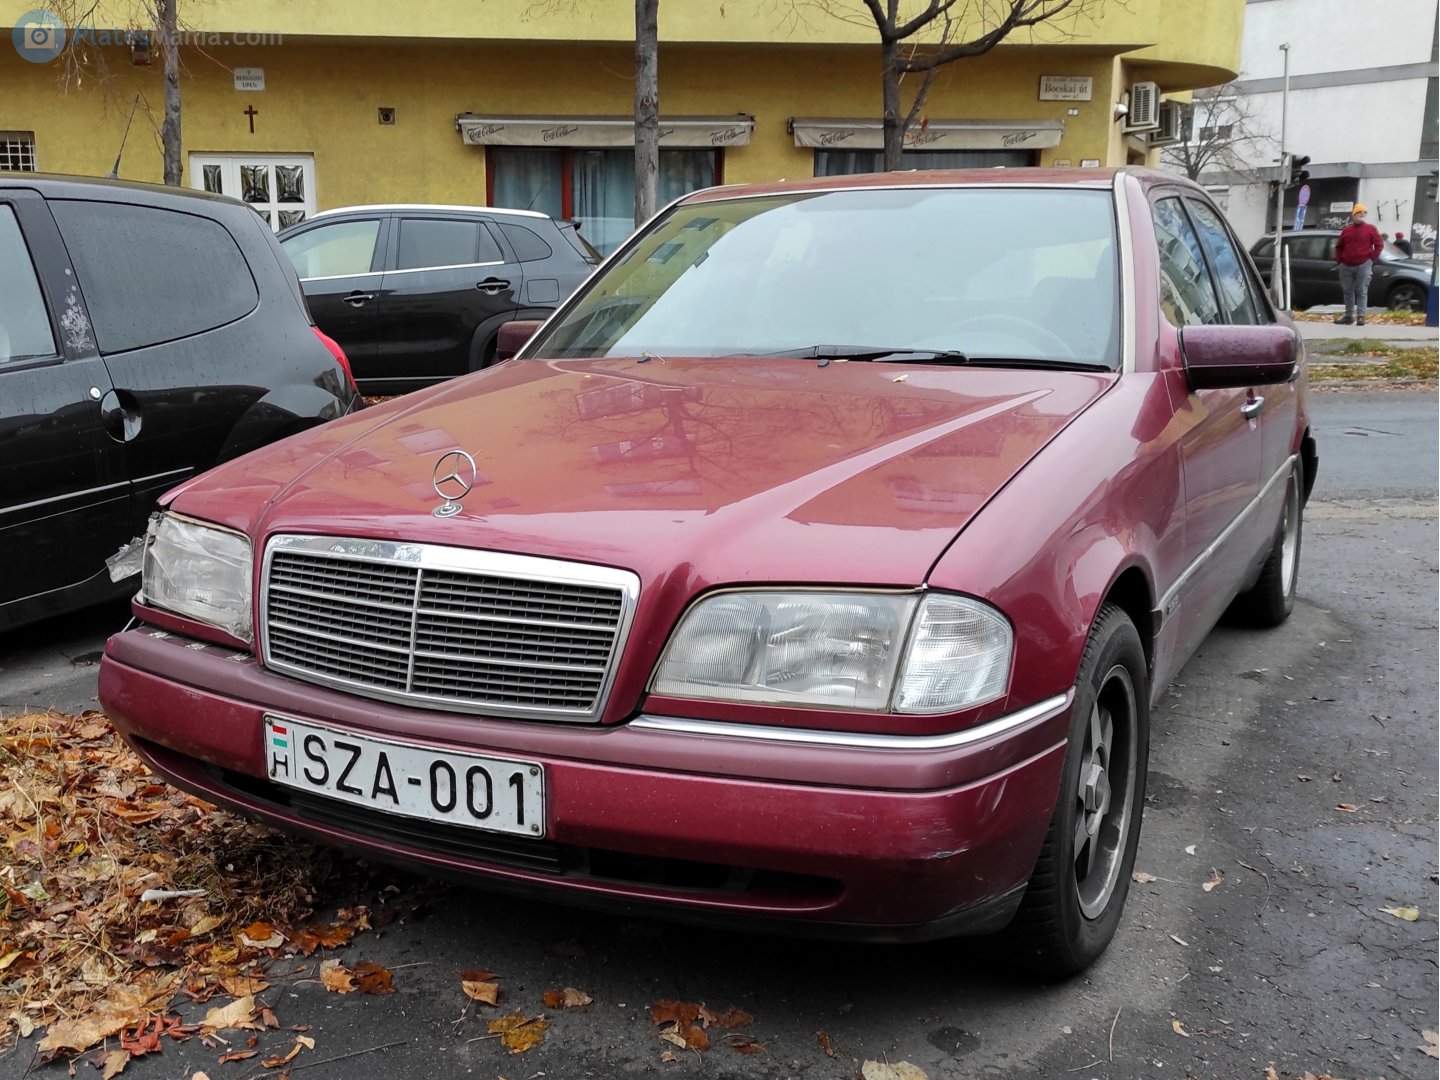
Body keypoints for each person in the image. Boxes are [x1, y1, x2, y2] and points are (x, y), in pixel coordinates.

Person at [1333, 204, 1384, 325]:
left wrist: (1371, 259)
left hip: (1363, 264)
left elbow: (1379, 244)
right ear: (1354, 215)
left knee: (1361, 290)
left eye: (1364, 212)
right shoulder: (1347, 230)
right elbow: (1339, 246)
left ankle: (1361, 316)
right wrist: (1339, 260)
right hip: (1346, 265)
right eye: (1359, 212)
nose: (1362, 214)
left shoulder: (1371, 229)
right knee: (1347, 290)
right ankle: (1348, 316)